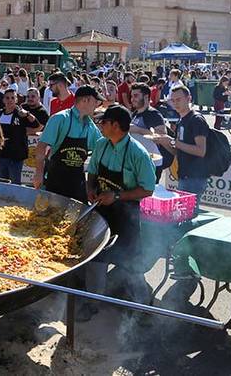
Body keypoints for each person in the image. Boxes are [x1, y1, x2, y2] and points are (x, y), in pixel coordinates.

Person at [78, 104, 156, 319]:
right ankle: (92, 303)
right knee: (96, 259)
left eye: (103, 122)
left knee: (131, 263)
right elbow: (92, 172)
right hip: (102, 213)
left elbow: (148, 189)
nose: (99, 125)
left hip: (126, 217)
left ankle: (142, 308)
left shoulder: (138, 154)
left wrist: (118, 196)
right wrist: (91, 189)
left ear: (115, 125)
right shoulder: (101, 144)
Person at [33, 86, 102, 201]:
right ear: (85, 100)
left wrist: (93, 185)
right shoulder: (59, 119)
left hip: (77, 183)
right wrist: (39, 172)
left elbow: (100, 151)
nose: (97, 105)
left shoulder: (91, 126)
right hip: (55, 180)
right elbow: (41, 146)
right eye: (95, 101)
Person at [152, 86, 210, 207]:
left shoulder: (196, 119)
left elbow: (201, 151)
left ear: (189, 98)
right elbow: (177, 151)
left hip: (195, 177)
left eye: (178, 99)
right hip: (185, 175)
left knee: (187, 213)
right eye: (173, 100)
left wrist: (173, 141)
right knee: (184, 213)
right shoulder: (182, 120)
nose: (175, 103)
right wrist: (164, 141)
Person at [129, 83, 170, 183]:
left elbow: (162, 137)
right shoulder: (135, 113)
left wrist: (138, 130)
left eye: (136, 96)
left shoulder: (153, 114)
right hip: (137, 163)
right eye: (131, 96)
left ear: (146, 97)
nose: (132, 99)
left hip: (151, 163)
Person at [0, 90, 39, 184]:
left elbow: (36, 124)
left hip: (16, 155)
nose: (10, 100)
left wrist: (27, 114)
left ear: (16, 100)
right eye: (7, 98)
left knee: (15, 182)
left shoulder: (20, 114)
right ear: (3, 100)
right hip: (2, 154)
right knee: (2, 181)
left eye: (12, 98)